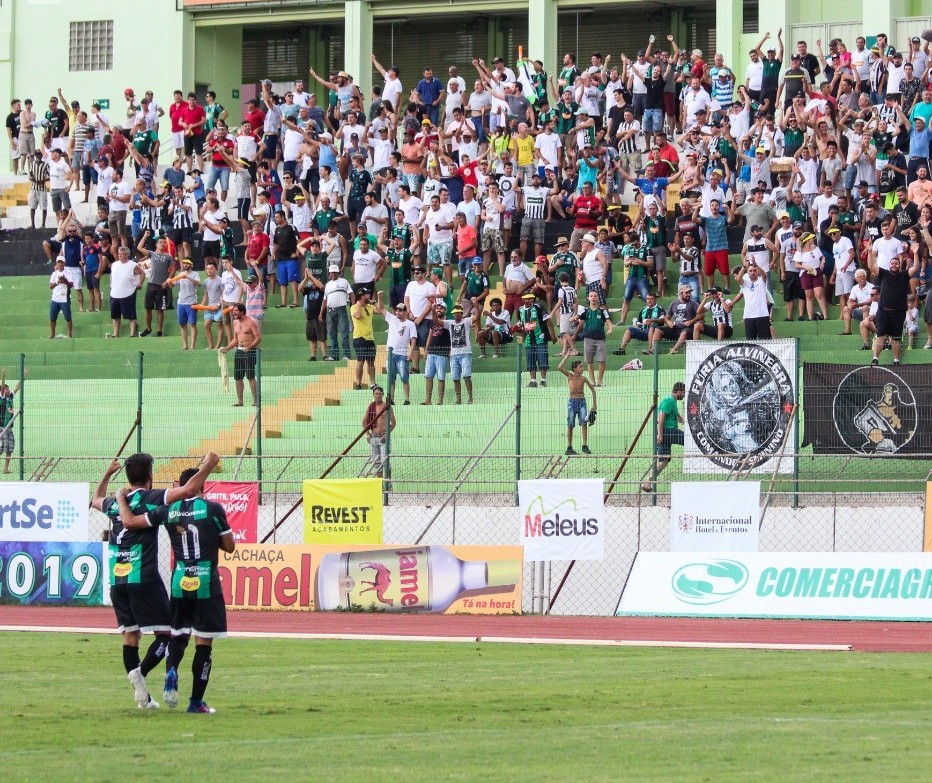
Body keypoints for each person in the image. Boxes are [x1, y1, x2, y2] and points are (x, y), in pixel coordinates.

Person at [91, 451, 219, 710]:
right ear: (150, 475)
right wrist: (208, 465)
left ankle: (144, 697)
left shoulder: (117, 502)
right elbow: (190, 489)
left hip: (117, 578)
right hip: (144, 576)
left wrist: (106, 474)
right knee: (167, 635)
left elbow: (95, 500)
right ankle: (140, 674)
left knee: (131, 636)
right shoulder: (150, 497)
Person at [115, 464, 233, 715]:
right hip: (206, 581)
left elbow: (132, 522)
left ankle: (171, 670)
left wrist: (120, 499)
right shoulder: (213, 509)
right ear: (202, 486)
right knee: (204, 642)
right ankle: (195, 702)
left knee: (178, 635)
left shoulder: (168, 510)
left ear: (180, 487)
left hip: (179, 580)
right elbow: (229, 545)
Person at [868, 238, 918, 366]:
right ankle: (875, 359)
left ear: (899, 265)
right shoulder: (884, 274)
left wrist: (916, 253)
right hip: (883, 312)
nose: (894, 265)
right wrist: (869, 252)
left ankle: (896, 360)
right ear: (889, 265)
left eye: (896, 263)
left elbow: (916, 267)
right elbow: (871, 266)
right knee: (881, 336)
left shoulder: (904, 275)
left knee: (896, 338)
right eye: (892, 263)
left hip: (898, 313)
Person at [642, 381, 685, 492]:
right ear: (679, 391)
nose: (684, 395)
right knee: (689, 441)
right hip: (668, 432)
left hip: (667, 433)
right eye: (684, 393)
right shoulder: (669, 400)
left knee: (664, 461)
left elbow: (678, 416)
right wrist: (659, 434)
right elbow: (661, 417)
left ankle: (648, 481)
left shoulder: (673, 402)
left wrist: (683, 418)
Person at [375, 291, 416, 405]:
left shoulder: (410, 324)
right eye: (397, 310)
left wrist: (411, 352)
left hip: (402, 353)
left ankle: (407, 399)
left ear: (405, 312)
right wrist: (379, 298)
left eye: (400, 310)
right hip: (391, 353)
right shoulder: (392, 319)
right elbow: (381, 308)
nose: (398, 312)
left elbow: (413, 340)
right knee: (391, 378)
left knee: (404, 377)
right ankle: (391, 399)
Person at [220, 303, 262, 406]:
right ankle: (240, 401)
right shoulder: (235, 323)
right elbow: (235, 339)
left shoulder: (251, 322)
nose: (233, 312)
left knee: (250, 376)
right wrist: (227, 348)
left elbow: (258, 338)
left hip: (250, 351)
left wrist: (249, 347)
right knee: (238, 377)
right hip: (239, 351)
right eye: (233, 311)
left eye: (236, 311)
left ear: (242, 312)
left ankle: (256, 401)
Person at [136, 232, 175, 337]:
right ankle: (148, 328)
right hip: (151, 284)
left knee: (160, 309)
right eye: (160, 242)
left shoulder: (168, 257)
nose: (162, 244)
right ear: (156, 244)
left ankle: (159, 330)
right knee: (148, 308)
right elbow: (139, 247)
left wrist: (168, 280)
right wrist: (145, 235)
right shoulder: (152, 254)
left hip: (162, 286)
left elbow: (173, 269)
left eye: (164, 243)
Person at [572, 289, 613, 387]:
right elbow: (578, 318)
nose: (593, 298)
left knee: (602, 360)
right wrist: (574, 319)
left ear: (597, 298)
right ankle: (592, 381)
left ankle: (600, 381)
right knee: (589, 361)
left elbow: (609, 322)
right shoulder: (585, 311)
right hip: (588, 338)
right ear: (588, 298)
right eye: (591, 296)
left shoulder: (603, 311)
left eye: (595, 296)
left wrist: (610, 329)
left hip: (600, 339)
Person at [557, 355, 596, 456]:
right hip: (572, 402)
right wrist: (567, 355)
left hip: (581, 401)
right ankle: (569, 447)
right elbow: (560, 367)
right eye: (580, 366)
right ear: (575, 369)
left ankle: (584, 445)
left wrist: (594, 404)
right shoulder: (570, 376)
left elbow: (593, 389)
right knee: (570, 424)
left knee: (584, 422)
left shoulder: (583, 378)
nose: (582, 368)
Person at [107, 245, 145, 339]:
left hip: (128, 292)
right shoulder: (115, 264)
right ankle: (116, 333)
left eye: (122, 253)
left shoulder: (132, 264)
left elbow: (142, 273)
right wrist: (112, 284)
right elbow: (112, 275)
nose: (119, 255)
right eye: (119, 253)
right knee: (115, 315)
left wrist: (140, 283)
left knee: (131, 314)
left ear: (127, 255)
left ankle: (132, 333)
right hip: (115, 292)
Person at [516, 291, 552, 387]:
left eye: (531, 298)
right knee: (530, 359)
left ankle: (543, 380)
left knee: (542, 358)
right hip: (528, 339)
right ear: (523, 299)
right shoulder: (519, 310)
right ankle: (533, 381)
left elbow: (548, 320)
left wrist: (552, 335)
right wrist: (522, 336)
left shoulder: (538, 307)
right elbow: (521, 325)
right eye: (527, 298)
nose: (530, 300)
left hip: (540, 337)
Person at [732, 259, 772, 339]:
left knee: (765, 341)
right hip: (749, 316)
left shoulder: (761, 282)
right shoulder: (745, 283)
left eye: (754, 271)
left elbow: (764, 275)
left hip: (762, 315)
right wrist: (744, 266)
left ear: (757, 272)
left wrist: (755, 264)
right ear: (747, 272)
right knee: (750, 342)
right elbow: (738, 279)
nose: (752, 272)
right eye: (750, 271)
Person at [362, 385, 396, 476]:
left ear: (383, 394)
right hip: (373, 438)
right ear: (373, 395)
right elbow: (364, 422)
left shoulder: (387, 407)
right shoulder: (371, 407)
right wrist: (368, 434)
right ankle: (380, 485)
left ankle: (388, 484)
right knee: (376, 463)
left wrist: (386, 435)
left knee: (385, 462)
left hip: (383, 438)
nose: (378, 395)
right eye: (376, 394)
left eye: (380, 394)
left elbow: (393, 423)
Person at [444, 305, 475, 404]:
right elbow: (437, 322)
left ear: (462, 313)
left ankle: (470, 398)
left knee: (466, 376)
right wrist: (433, 309)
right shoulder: (450, 323)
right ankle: (458, 399)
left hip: (465, 353)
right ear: (453, 315)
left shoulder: (466, 321)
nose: (456, 315)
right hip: (453, 355)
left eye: (458, 313)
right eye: (455, 313)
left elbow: (477, 316)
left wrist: (475, 305)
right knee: (455, 378)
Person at [351, 289, 376, 390]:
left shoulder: (370, 307)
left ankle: (373, 383)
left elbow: (380, 310)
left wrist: (375, 302)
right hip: (359, 338)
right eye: (366, 294)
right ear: (362, 296)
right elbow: (358, 316)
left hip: (370, 338)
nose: (369, 295)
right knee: (360, 362)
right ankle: (358, 383)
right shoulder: (354, 307)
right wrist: (359, 304)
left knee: (371, 362)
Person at [0, 369, 24, 475]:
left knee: (9, 448)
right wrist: (4, 374)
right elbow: (2, 387)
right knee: (4, 448)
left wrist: (23, 376)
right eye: (6, 389)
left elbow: (17, 387)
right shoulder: (2, 398)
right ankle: (5, 468)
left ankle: (5, 468)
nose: (8, 390)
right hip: (3, 427)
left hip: (9, 428)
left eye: (8, 389)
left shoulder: (10, 397)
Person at [301, 264, 326, 360]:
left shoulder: (321, 290)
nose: (312, 283)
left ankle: (324, 355)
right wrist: (306, 278)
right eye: (311, 281)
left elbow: (321, 286)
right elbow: (300, 288)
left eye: (313, 281)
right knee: (312, 338)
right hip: (310, 317)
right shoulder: (308, 290)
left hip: (319, 316)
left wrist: (311, 276)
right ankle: (313, 356)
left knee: (322, 337)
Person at [48, 257, 74, 339]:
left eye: (62, 262)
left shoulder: (68, 273)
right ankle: (52, 334)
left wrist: (64, 280)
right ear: (57, 263)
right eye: (59, 262)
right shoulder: (54, 274)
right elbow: (51, 286)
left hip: (64, 298)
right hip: (55, 298)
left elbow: (71, 285)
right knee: (52, 318)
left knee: (68, 317)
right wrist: (58, 281)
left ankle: (69, 334)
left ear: (64, 263)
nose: (60, 264)